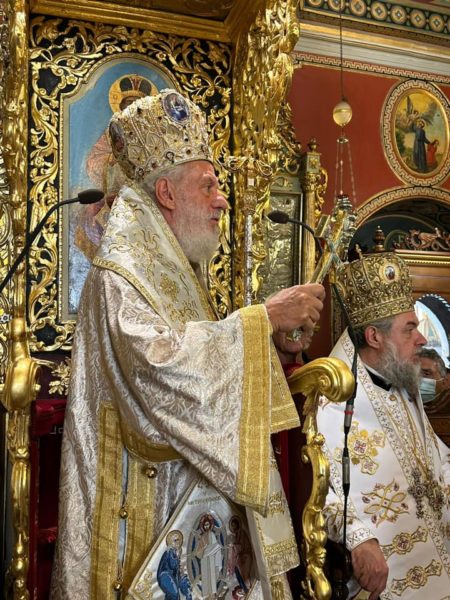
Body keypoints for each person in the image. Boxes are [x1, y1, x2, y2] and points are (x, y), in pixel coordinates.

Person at [50, 89, 326, 599]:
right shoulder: (120, 274)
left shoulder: (176, 266)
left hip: (194, 506)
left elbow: (205, 365)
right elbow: (161, 368)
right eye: (209, 186)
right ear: (167, 194)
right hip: (143, 507)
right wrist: (263, 318)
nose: (222, 199)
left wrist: (272, 345)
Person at [317, 251, 450, 599]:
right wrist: (359, 539)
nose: (421, 339)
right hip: (390, 569)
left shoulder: (404, 381)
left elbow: (436, 456)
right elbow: (320, 494)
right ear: (375, 337)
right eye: (410, 329)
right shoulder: (331, 401)